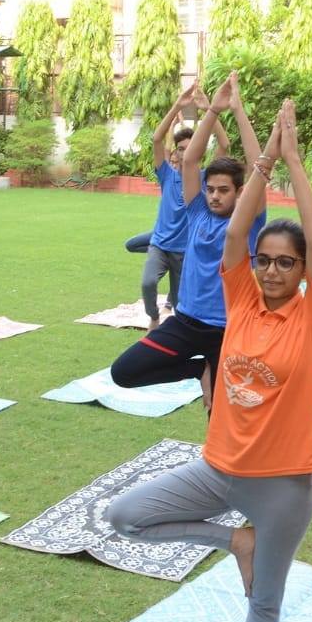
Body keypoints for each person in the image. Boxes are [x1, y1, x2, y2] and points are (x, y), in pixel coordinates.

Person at [107, 100, 312, 622]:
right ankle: (235, 542)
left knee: (265, 600)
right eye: (265, 260)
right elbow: (236, 232)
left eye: (284, 263)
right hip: (217, 468)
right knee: (121, 517)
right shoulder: (240, 300)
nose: (271, 270)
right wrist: (262, 162)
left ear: (302, 272)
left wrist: (291, 156)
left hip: (284, 486)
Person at [109, 71, 263, 408]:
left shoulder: (247, 223)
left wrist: (237, 110)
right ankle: (198, 369)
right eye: (210, 189)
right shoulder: (197, 213)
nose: (215, 196)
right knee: (124, 371)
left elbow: (257, 167)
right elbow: (190, 159)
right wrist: (211, 111)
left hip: (229, 330)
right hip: (186, 322)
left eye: (224, 190)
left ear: (240, 193)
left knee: (220, 417)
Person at [140, 82, 231, 330]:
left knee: (183, 307)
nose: (184, 152)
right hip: (160, 244)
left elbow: (225, 145)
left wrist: (210, 109)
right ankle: (155, 316)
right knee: (148, 283)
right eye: (180, 149)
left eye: (190, 148)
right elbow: (157, 139)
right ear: (176, 153)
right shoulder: (167, 174)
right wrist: (177, 105)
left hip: (186, 251)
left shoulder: (204, 180)